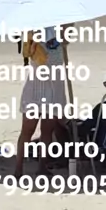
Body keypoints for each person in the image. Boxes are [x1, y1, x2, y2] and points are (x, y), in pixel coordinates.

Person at [15, 26, 69, 178]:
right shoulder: (52, 37)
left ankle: (20, 169)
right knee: (42, 132)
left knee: (31, 131)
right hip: (50, 89)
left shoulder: (33, 34)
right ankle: (38, 167)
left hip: (38, 88)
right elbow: (66, 36)